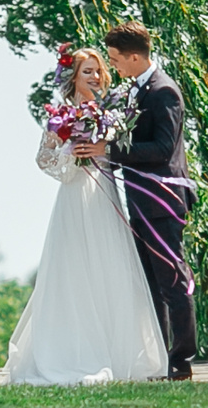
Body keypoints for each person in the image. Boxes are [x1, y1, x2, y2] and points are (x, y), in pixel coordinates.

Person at [3, 47, 171, 386]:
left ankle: (119, 352)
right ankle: (73, 353)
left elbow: (122, 152)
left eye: (97, 70)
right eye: (87, 72)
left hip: (105, 197)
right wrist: (71, 158)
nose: (95, 76)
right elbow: (43, 157)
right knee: (75, 270)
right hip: (74, 197)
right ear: (73, 77)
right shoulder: (62, 114)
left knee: (112, 269)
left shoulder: (113, 110)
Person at [77, 22, 196, 380]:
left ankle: (181, 361)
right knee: (151, 286)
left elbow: (162, 148)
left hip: (161, 202)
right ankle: (161, 359)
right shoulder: (136, 92)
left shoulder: (163, 92)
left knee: (172, 283)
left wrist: (107, 149)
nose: (113, 67)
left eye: (115, 60)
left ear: (133, 56)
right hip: (142, 204)